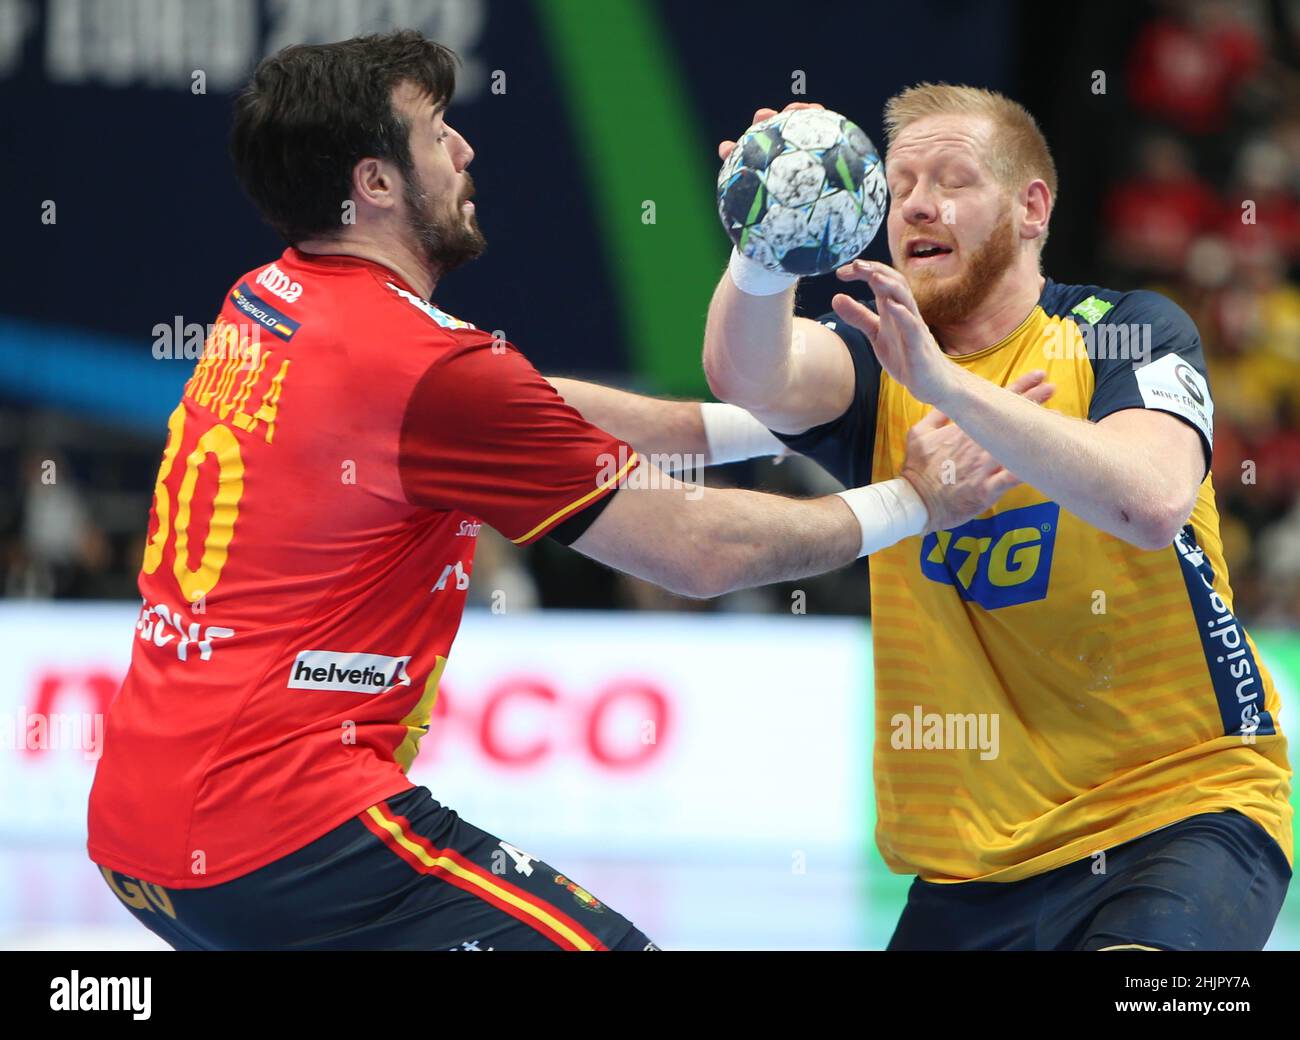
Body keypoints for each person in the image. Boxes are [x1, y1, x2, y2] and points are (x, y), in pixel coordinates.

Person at [86, 36, 1048, 952]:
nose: (465, 147)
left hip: (144, 825)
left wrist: (846, 399)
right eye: (435, 133)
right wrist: (917, 498)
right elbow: (701, 553)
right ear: (375, 183)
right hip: (280, 831)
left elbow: (549, 410)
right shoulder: (433, 374)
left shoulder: (270, 300)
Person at [701, 86, 1292, 950]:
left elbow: (1151, 501)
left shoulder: (1125, 331)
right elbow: (749, 377)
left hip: (1179, 812)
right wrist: (762, 251)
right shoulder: (879, 363)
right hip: (972, 869)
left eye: (951, 180)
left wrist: (944, 385)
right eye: (899, 186)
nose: (918, 205)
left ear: (1031, 207)